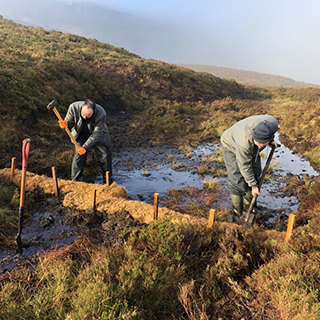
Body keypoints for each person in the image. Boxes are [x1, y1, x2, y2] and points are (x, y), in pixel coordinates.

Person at [220, 115, 279, 222]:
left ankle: (250, 209)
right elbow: (245, 166)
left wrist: (271, 140)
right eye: (258, 142)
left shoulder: (273, 124)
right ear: (253, 136)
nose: (261, 146)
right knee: (237, 180)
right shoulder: (244, 143)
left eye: (263, 143)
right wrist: (253, 186)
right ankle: (237, 214)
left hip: (250, 145)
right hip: (231, 146)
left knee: (256, 173)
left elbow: (268, 135)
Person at [58, 99, 112, 183]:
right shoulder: (73, 107)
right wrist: (66, 125)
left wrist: (85, 147)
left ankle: (108, 181)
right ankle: (75, 181)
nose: (85, 117)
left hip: (98, 135)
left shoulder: (101, 113)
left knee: (105, 156)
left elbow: (97, 133)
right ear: (81, 108)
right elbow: (69, 121)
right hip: (80, 133)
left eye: (88, 115)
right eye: (83, 114)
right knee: (79, 156)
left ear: (93, 111)